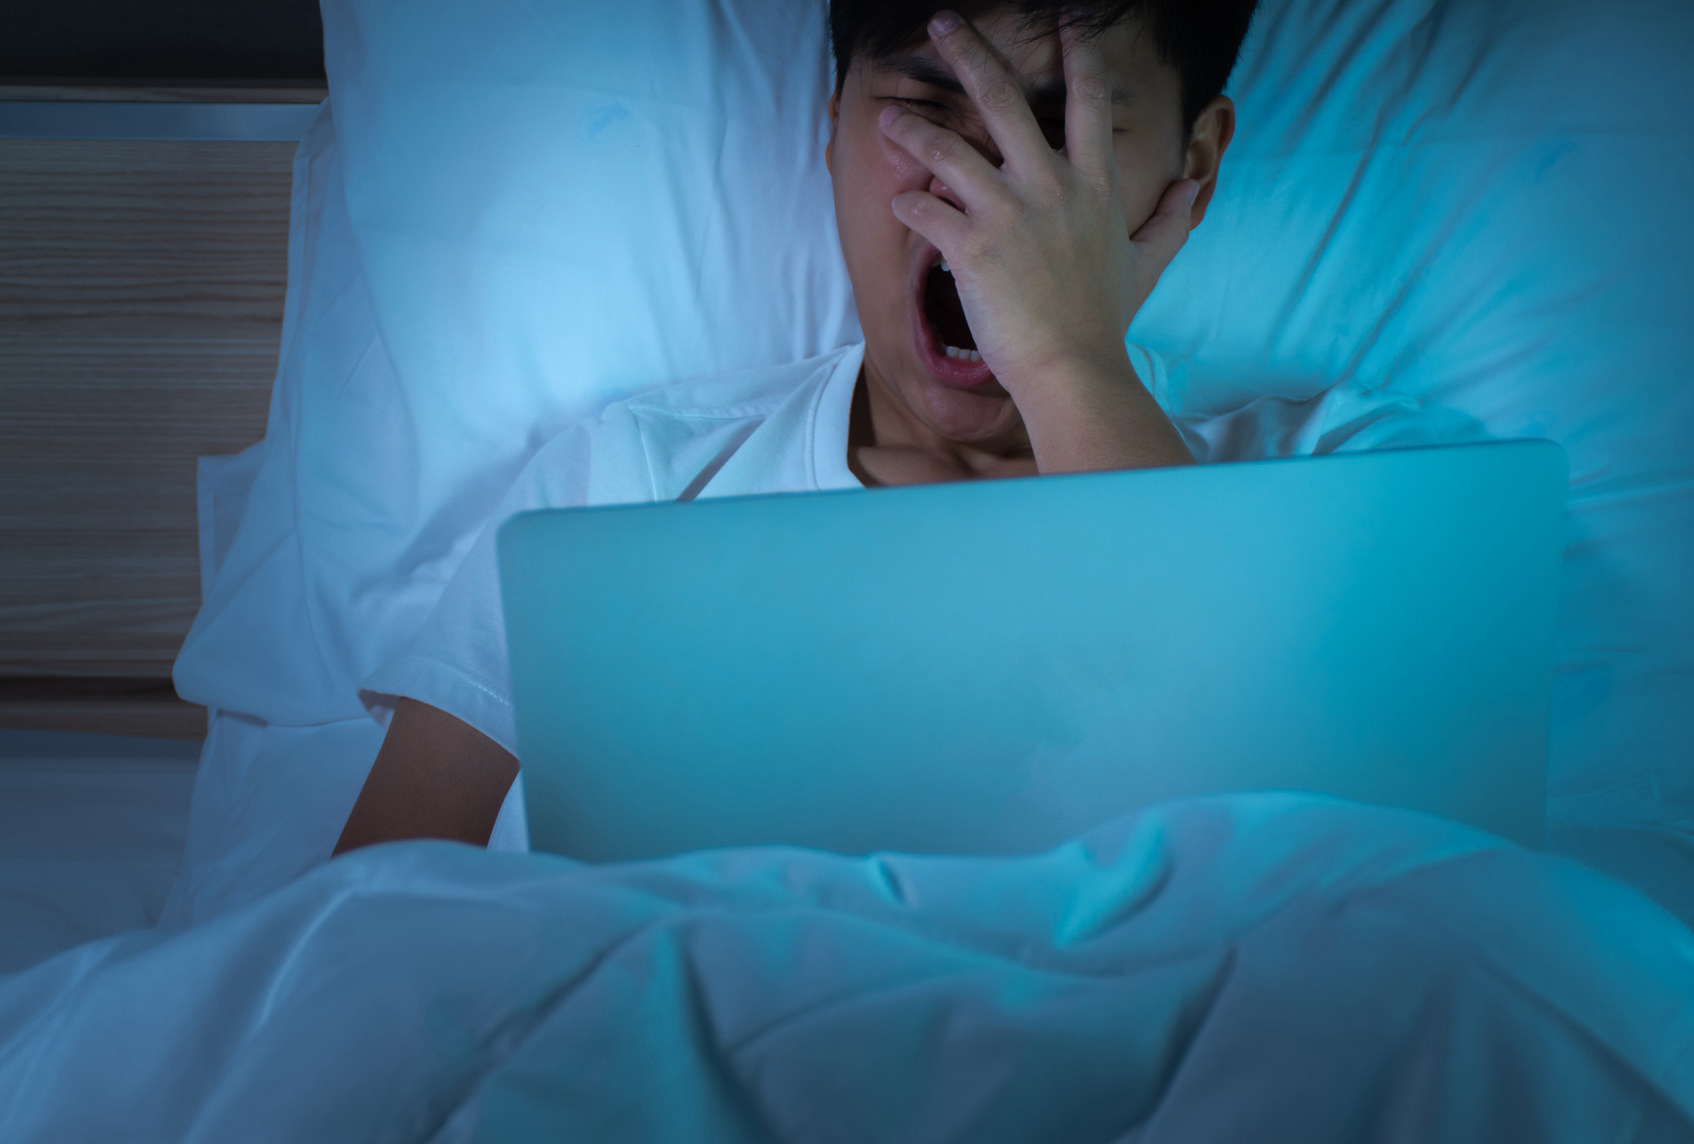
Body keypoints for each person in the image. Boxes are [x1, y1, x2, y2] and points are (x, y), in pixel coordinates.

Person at [335, 0, 1260, 854]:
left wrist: (1068, 364)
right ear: (831, 133)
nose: (980, 195)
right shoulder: (632, 485)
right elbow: (367, 920)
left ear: (1194, 161)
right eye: (928, 113)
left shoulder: (1324, 483)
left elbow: (1277, 874)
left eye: (1057, 135)